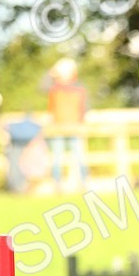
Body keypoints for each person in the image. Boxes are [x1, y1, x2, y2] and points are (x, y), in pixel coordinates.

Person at [46, 58, 88, 186]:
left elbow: (83, 108)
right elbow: (43, 86)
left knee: (79, 157)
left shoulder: (78, 89)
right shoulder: (55, 90)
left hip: (74, 128)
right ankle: (57, 183)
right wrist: (52, 72)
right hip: (58, 128)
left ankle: (84, 182)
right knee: (57, 159)